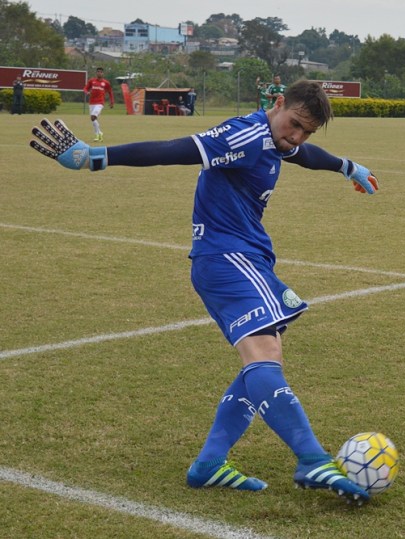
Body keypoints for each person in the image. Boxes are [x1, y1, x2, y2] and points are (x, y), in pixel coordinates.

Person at [30, 80, 380, 503]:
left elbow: (300, 154)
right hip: (227, 258)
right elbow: (173, 149)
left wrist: (346, 166)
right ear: (278, 103)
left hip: (245, 258)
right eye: (294, 124)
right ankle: (311, 458)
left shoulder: (277, 139)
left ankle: (210, 463)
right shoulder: (244, 135)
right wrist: (96, 157)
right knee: (264, 356)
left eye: (306, 130)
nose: (297, 136)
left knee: (265, 355)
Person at [83, 67, 114, 142]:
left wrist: (112, 102)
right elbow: (85, 88)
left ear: (103, 73)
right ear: (96, 73)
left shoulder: (106, 83)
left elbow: (110, 92)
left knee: (93, 117)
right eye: (98, 72)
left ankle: (97, 135)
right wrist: (87, 92)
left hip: (100, 103)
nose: (99, 73)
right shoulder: (92, 81)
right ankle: (100, 133)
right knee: (93, 120)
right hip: (91, 103)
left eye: (100, 72)